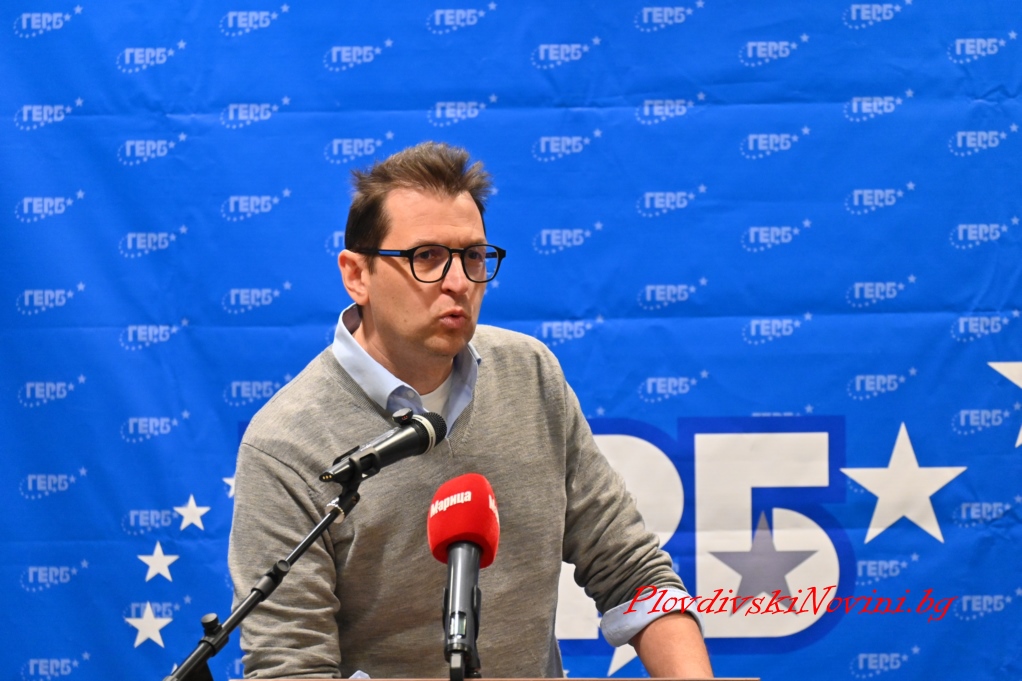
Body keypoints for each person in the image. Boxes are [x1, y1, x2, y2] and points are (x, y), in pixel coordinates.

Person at [228, 142, 713, 679]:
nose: (458, 282)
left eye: (474, 257)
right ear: (356, 274)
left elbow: (631, 570)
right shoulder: (286, 445)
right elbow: (291, 665)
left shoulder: (531, 374)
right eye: (426, 257)